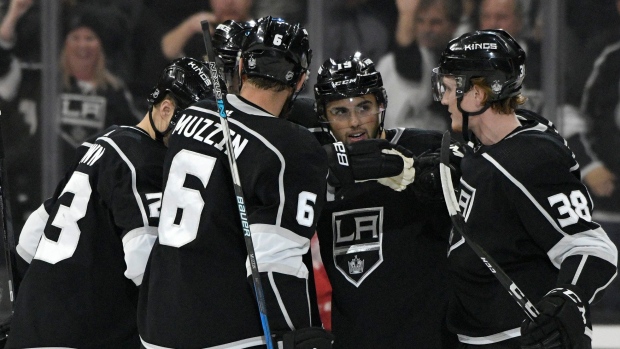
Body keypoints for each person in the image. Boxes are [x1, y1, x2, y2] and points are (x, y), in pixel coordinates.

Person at [137, 16, 333, 349]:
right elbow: (274, 264)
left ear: (241, 66)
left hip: (156, 325)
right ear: (300, 81)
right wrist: (295, 333)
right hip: (228, 333)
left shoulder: (192, 115)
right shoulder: (293, 147)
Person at [5, 57, 216, 348]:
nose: (199, 140)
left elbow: (30, 239)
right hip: (89, 336)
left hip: (30, 332)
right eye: (193, 126)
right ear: (166, 109)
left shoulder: (100, 145)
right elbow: (146, 268)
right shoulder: (146, 163)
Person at [432, 29, 618, 348]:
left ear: (477, 94)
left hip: (521, 339)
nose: (444, 99)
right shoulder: (479, 147)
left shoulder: (531, 157)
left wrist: (568, 298)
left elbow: (593, 246)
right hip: (473, 337)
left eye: (449, 89)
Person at [313, 52, 460, 348]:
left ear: (382, 105)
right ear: (323, 116)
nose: (355, 123)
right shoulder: (316, 169)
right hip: (354, 339)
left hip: (432, 338)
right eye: (340, 111)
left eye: (364, 107)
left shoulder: (430, 147)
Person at [579, 1, 620, 322]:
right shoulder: (603, 52)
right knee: (603, 310)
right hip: (609, 209)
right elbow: (566, 109)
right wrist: (589, 164)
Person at [376, 0, 462, 132]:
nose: (426, 29)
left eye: (435, 22)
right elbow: (407, 56)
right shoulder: (394, 60)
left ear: (453, 26)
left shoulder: (460, 62)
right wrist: (407, 14)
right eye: (420, 21)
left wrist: (407, 14)